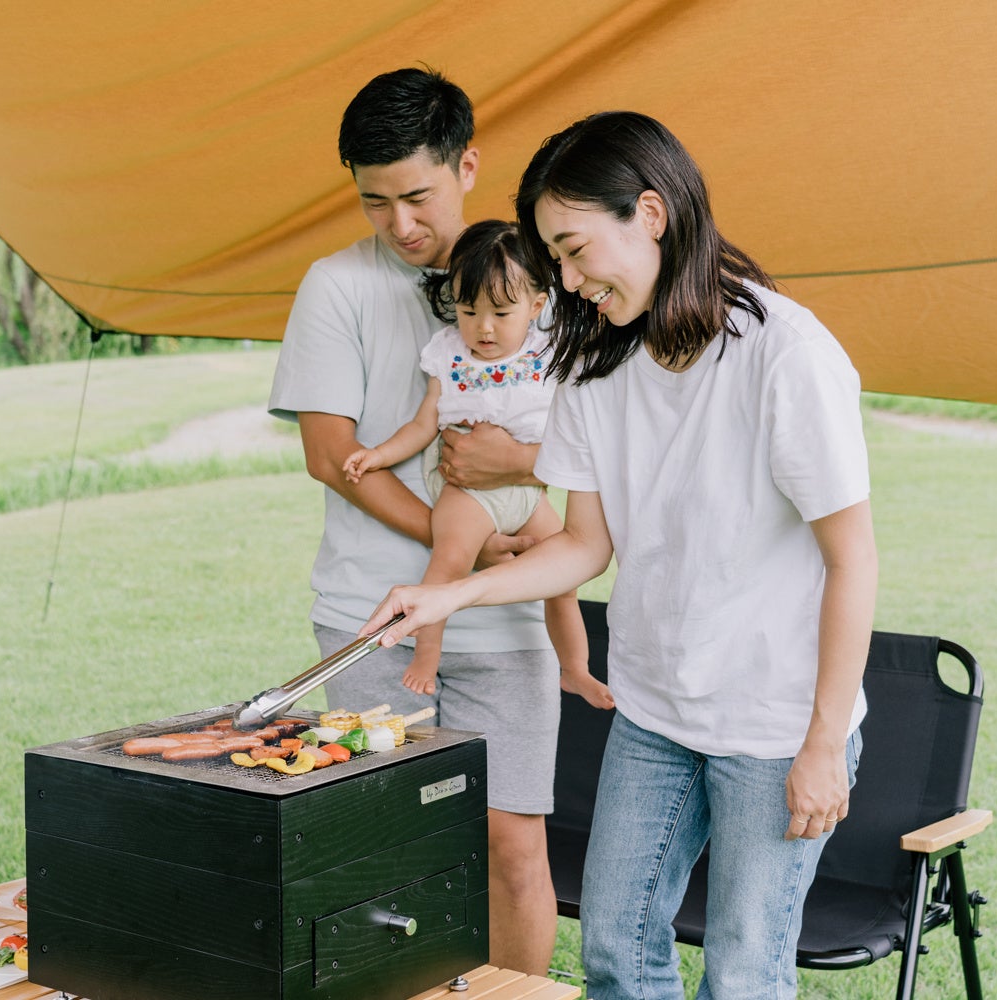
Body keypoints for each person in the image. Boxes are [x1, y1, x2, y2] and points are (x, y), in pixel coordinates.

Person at [359, 111, 877, 1000]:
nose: (565, 280)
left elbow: (852, 560)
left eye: (573, 250)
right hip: (655, 711)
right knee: (615, 950)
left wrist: (825, 740)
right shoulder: (597, 367)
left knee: (744, 976)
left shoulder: (786, 356)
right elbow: (584, 545)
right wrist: (447, 598)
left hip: (773, 723)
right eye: (552, 260)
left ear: (650, 213)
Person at [267, 68, 561, 976]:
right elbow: (330, 453)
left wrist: (509, 495)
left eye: (419, 196)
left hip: (508, 621)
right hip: (374, 619)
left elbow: (596, 442)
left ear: (468, 165)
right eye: (374, 202)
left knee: (513, 851)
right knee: (385, 859)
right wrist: (455, 527)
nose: (400, 225)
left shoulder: (548, 278)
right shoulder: (334, 286)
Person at [341, 219, 614, 711]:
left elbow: (576, 431)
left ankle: (574, 669)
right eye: (469, 310)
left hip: (526, 495)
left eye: (501, 313)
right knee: (447, 565)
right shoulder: (449, 355)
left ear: (535, 306)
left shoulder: (550, 352)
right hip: (467, 493)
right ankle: (426, 654)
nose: (483, 327)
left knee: (564, 577)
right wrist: (378, 454)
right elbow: (424, 425)